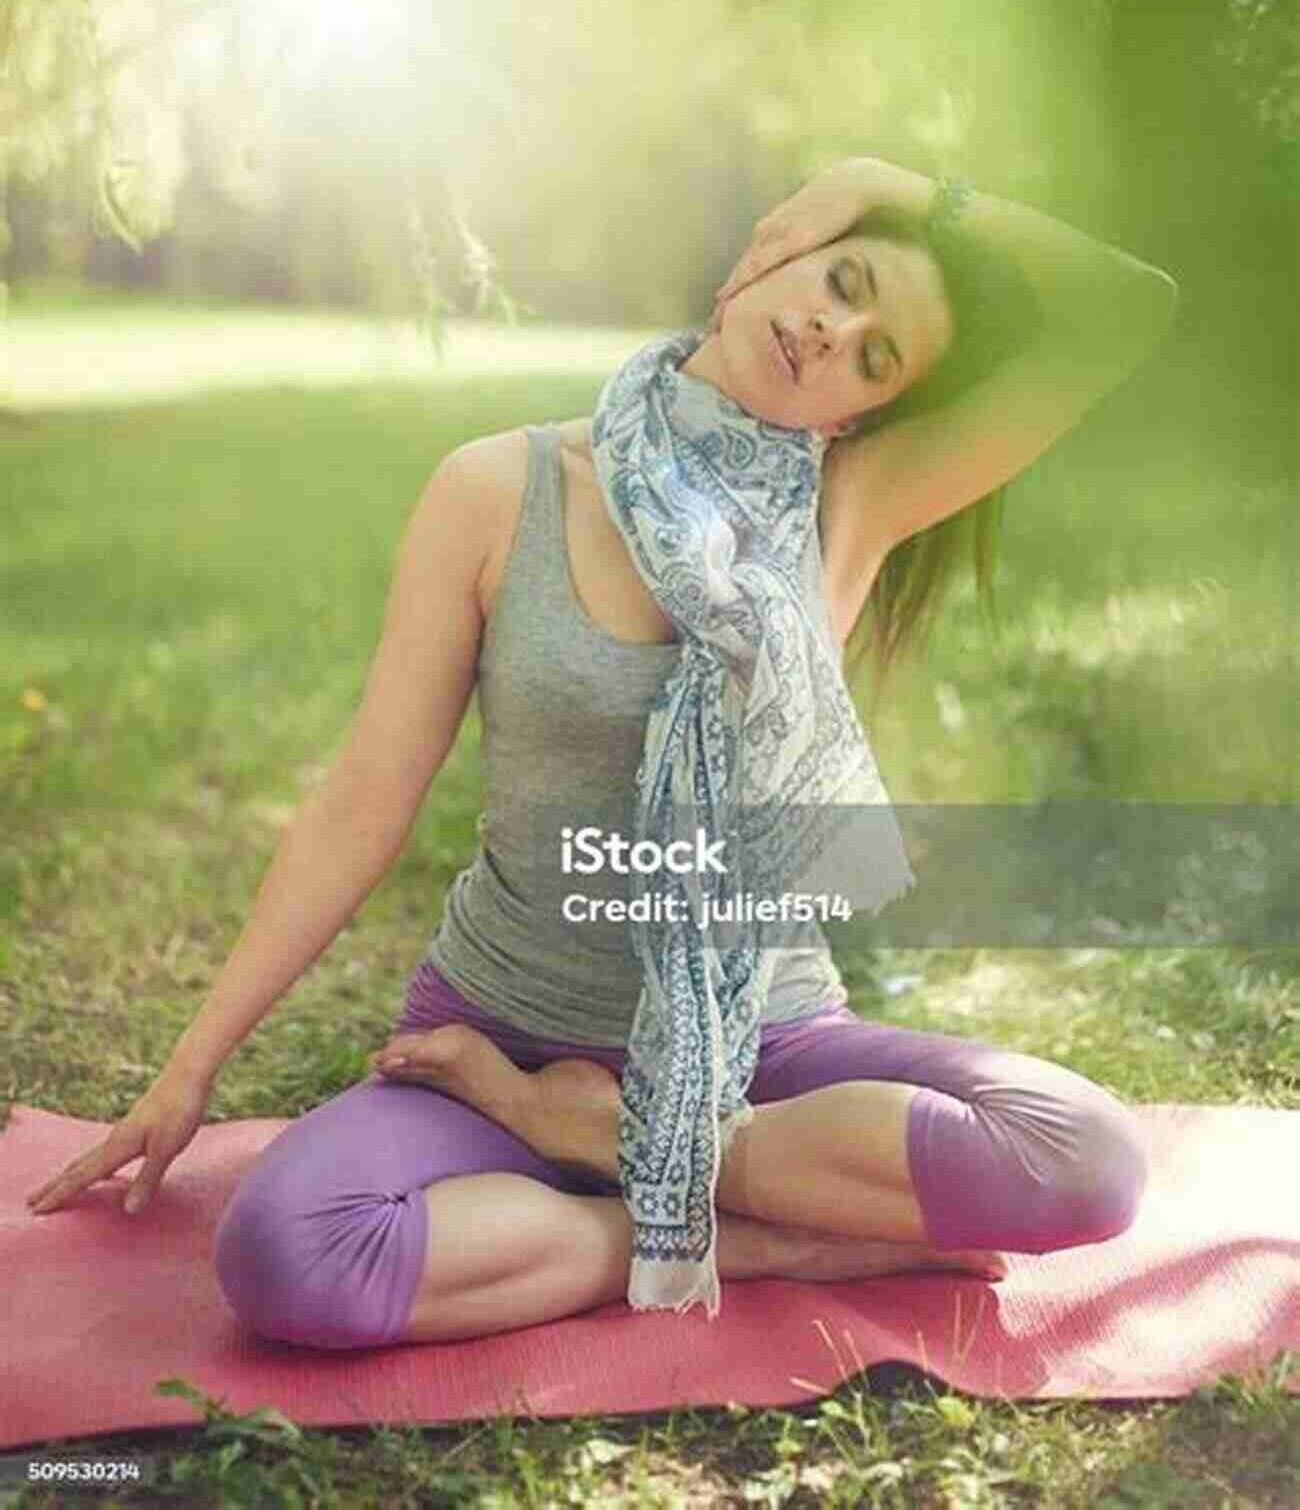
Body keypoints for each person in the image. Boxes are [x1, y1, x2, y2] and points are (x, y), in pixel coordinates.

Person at [26, 154, 1177, 1350]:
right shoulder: (494, 490)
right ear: (774, 248)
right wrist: (190, 1067)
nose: (832, 329)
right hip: (508, 1028)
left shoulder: (847, 509)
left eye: (872, 355)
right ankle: (742, 1231)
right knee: (288, 1250)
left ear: (855, 414)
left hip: (760, 1041)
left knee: (1083, 1158)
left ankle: (618, 1147)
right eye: (841, 277)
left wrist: (890, 181)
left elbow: (1126, 306)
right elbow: (364, 799)